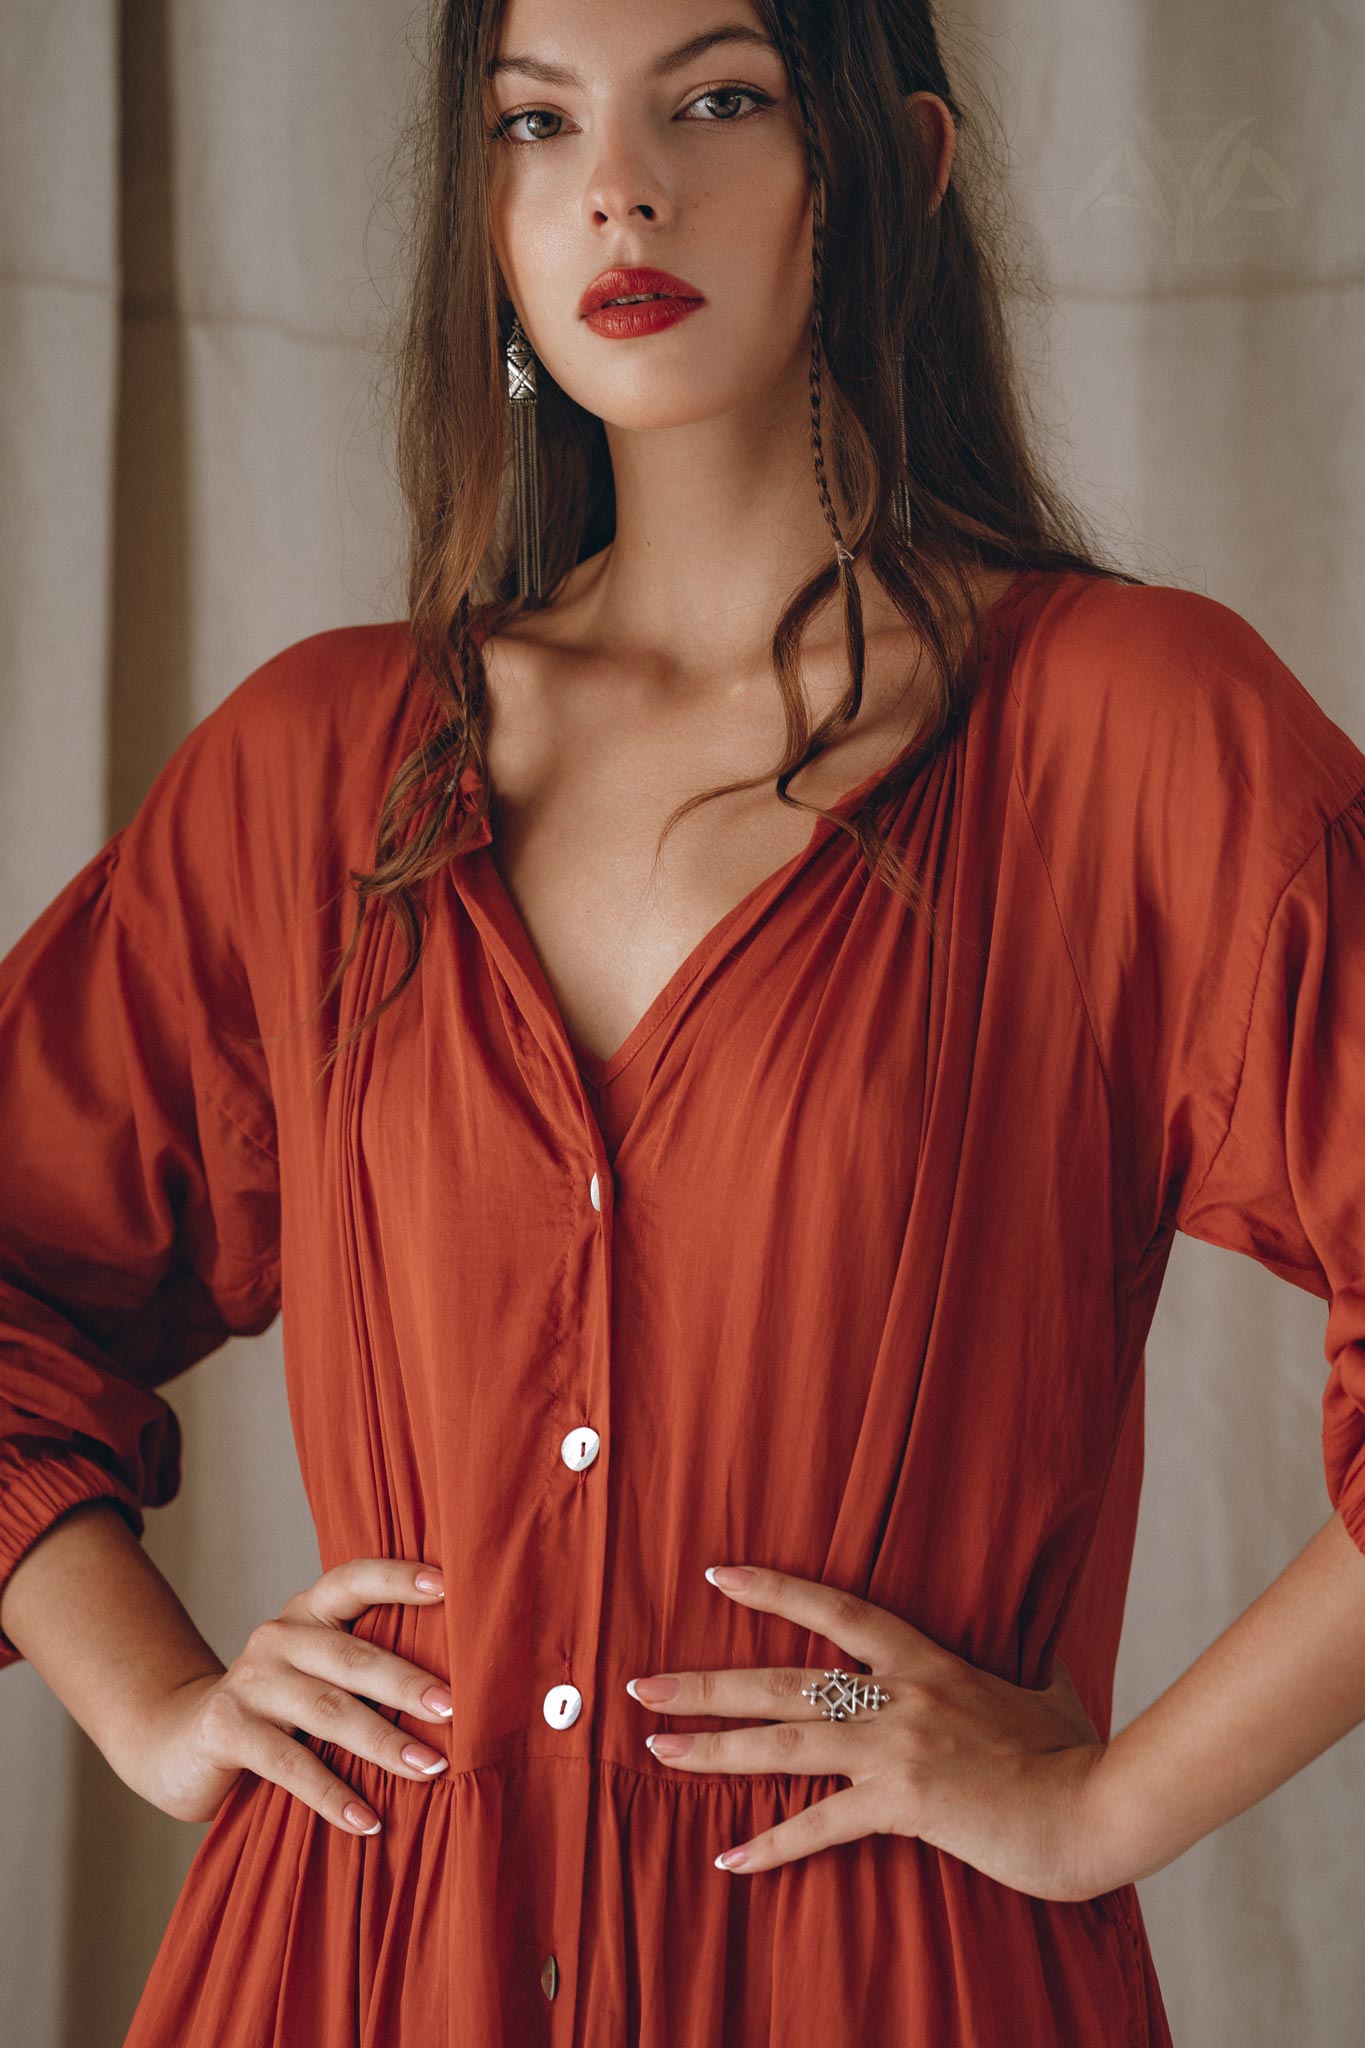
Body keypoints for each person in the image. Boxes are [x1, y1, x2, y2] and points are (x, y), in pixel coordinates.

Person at [2, 0, 1363, 2042]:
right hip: (350, 1965)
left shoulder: (1128, 736)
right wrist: (160, 1702)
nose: (617, 186)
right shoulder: (316, 765)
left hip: (887, 1976)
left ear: (891, 170)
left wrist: (1095, 1805)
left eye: (715, 99)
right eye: (534, 127)